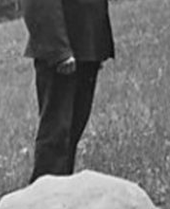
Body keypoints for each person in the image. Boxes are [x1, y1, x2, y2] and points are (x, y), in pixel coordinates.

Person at [21, 0, 115, 183]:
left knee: (71, 134)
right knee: (56, 136)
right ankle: (44, 200)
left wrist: (95, 46)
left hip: (85, 48)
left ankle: (61, 197)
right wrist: (58, 50)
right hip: (62, 51)